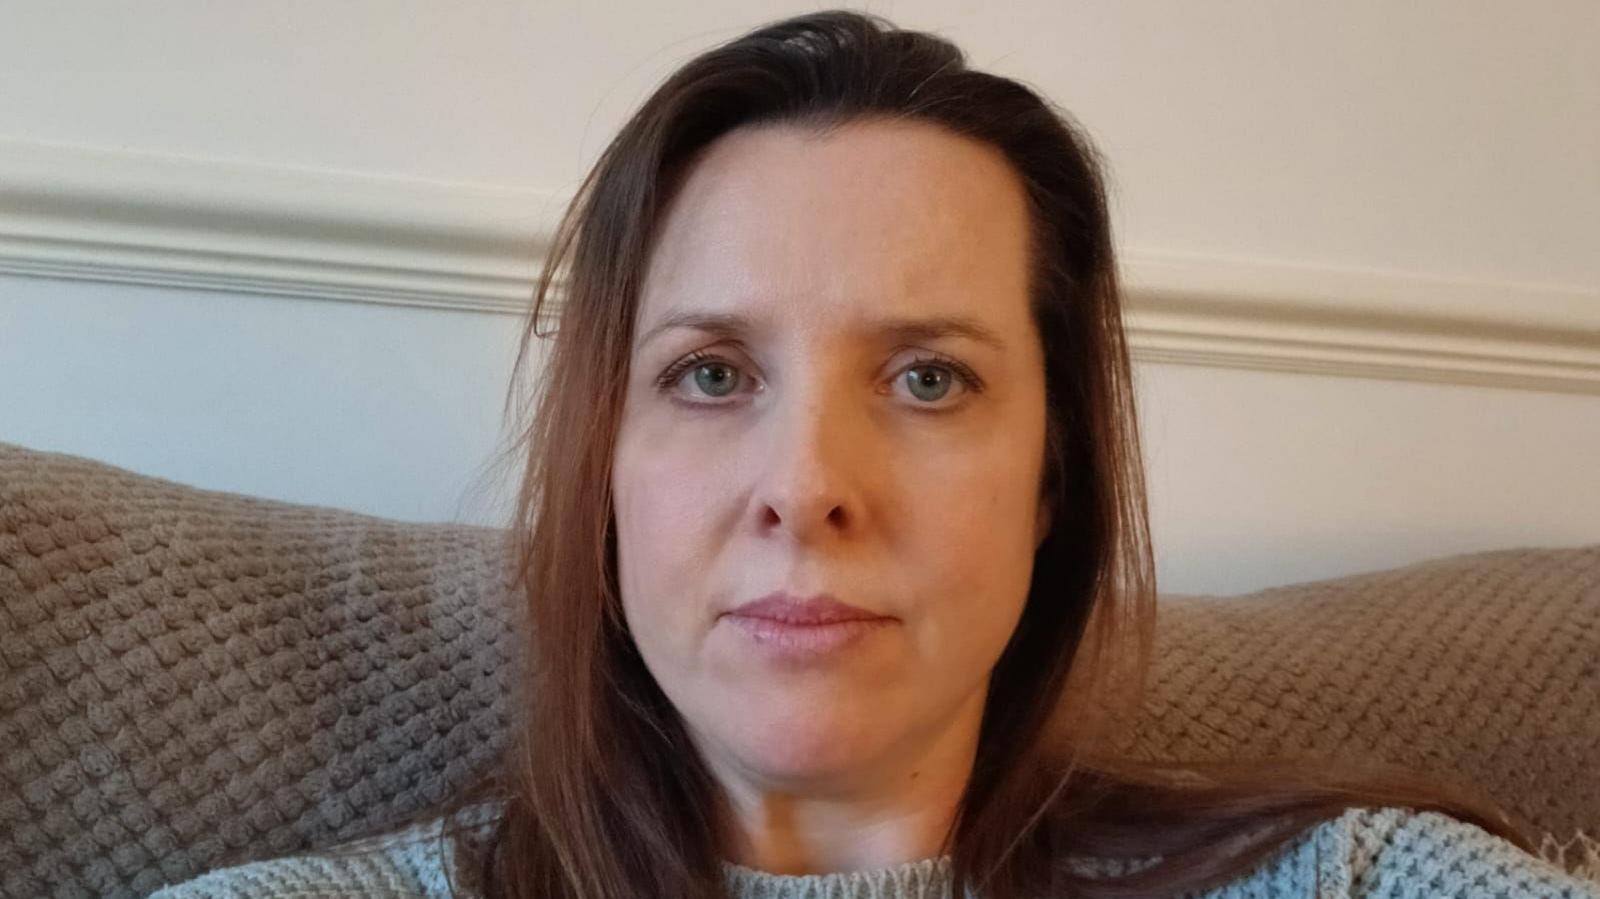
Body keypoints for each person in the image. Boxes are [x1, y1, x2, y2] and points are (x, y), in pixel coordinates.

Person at [149, 9, 1600, 899]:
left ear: (1054, 479)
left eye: (926, 377)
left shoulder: (1350, 880)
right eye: (710, 374)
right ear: (605, 467)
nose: (806, 484)